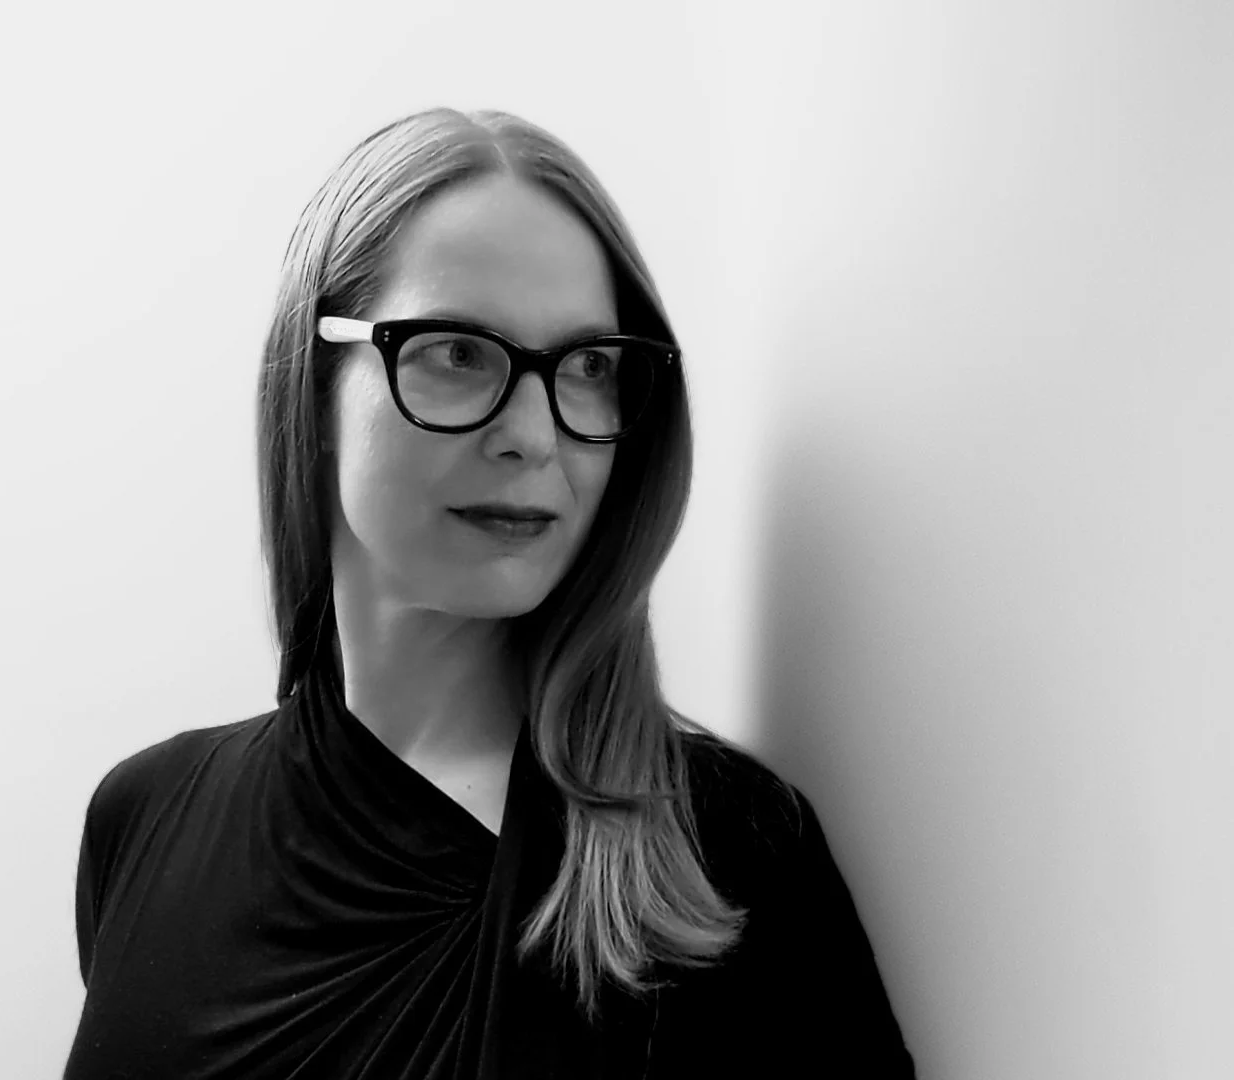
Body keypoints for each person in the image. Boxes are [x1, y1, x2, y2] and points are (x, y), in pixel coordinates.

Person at [64, 106, 915, 1079]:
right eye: (460, 352)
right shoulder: (142, 816)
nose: (534, 436)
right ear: (315, 389)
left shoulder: (731, 854)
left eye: (588, 367)